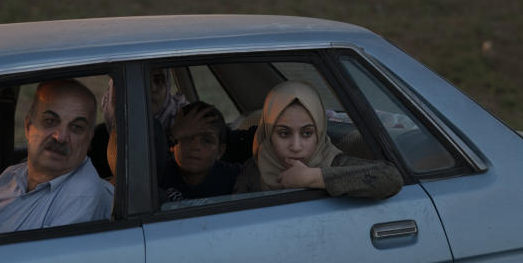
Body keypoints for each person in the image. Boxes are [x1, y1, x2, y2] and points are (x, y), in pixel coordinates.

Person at [0, 80, 113, 237]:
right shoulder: (10, 176)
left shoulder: (84, 196)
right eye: (50, 121)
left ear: (88, 139)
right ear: (28, 126)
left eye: (76, 127)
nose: (60, 137)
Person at [234, 81, 402, 198]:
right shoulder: (254, 168)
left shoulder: (333, 163)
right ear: (268, 133)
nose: (296, 146)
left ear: (320, 134)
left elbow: (390, 178)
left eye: (307, 133)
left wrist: (312, 177)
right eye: (284, 134)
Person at [161, 102, 241, 201]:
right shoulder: (156, 175)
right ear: (173, 143)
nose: (195, 146)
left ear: (220, 152)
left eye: (207, 140)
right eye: (187, 137)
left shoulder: (237, 179)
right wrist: (170, 135)